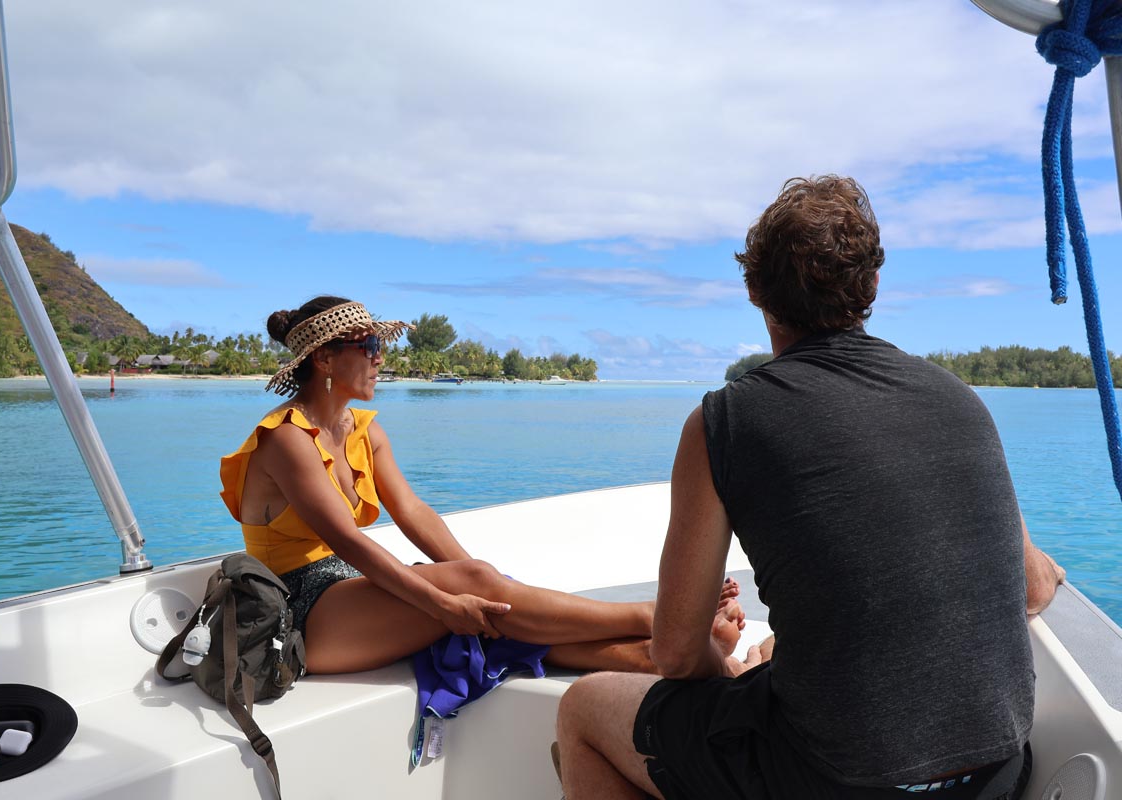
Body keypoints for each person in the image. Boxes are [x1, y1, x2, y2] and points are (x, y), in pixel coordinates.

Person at [554, 176, 1066, 800]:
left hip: (833, 783)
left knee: (583, 710)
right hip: (997, 778)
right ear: (873, 284)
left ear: (754, 292)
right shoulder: (961, 400)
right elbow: (1033, 585)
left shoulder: (726, 422)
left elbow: (678, 653)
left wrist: (731, 677)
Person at [220, 295, 748, 675]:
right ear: (325, 358)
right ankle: (653, 616)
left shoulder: (364, 430)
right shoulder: (286, 439)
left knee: (507, 623)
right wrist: (448, 597)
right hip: (298, 610)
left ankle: (669, 657)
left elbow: (413, 513)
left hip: (350, 594)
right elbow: (347, 541)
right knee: (475, 592)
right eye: (371, 345)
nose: (383, 357)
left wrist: (480, 583)